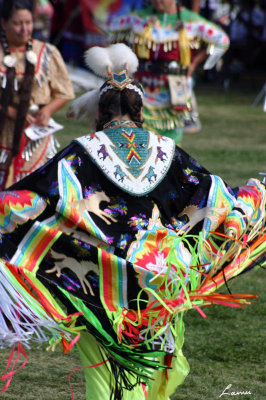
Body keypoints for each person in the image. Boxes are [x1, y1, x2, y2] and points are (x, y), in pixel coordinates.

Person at [0, 43, 265, 400]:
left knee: (103, 373)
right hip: (157, 284)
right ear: (139, 111)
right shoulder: (167, 149)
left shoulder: (82, 151)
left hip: (100, 282)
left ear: (100, 112)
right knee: (151, 366)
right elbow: (212, 194)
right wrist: (251, 200)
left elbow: (35, 196)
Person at [108, 0, 230, 144]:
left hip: (174, 88)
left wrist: (194, 63)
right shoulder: (139, 17)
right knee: (138, 136)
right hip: (141, 86)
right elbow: (111, 29)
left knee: (170, 141)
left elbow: (222, 40)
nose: (157, 1)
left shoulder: (190, 20)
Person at [0, 0, 75, 191]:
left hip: (36, 138)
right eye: (17, 23)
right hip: (3, 134)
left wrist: (47, 110)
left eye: (28, 23)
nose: (24, 29)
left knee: (33, 191)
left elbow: (65, 92)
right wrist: (8, 110)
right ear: (3, 23)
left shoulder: (47, 52)